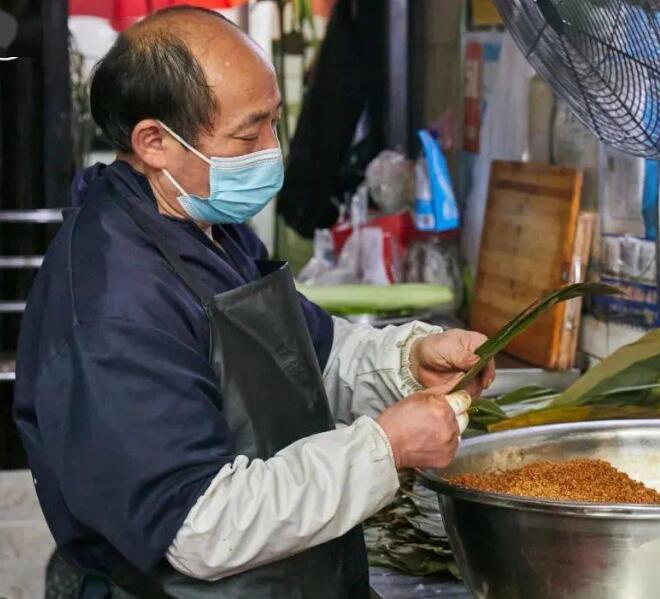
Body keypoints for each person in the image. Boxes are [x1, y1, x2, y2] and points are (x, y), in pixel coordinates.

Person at [13, 6, 494, 598]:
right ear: (155, 142)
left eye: (275, 121)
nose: (273, 149)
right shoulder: (113, 307)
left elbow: (301, 354)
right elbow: (201, 525)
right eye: (250, 132)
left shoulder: (202, 225)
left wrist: (406, 358)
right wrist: (384, 447)